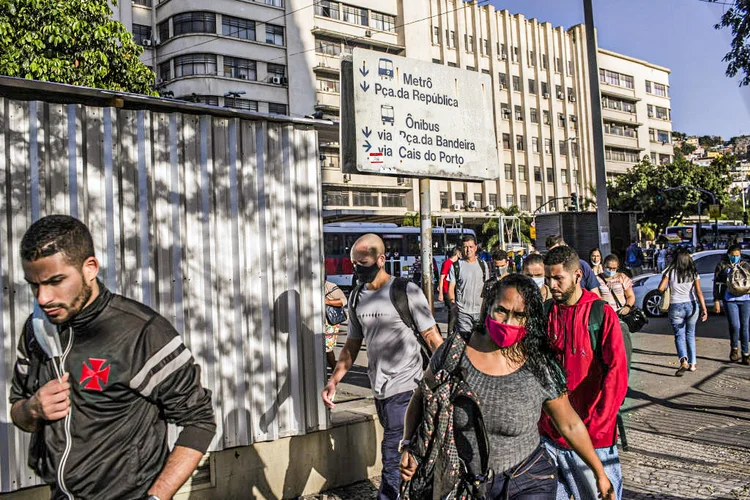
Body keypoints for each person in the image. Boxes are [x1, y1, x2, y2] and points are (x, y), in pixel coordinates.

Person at [9, 215, 216, 500]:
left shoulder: (142, 332)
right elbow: (18, 409)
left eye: (56, 281)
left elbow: (200, 420)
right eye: (34, 285)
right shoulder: (36, 331)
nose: (43, 298)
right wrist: (33, 408)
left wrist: (156, 498)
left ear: (90, 268)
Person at [399, 275, 615, 500]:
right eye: (501, 310)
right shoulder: (454, 352)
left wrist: (599, 472)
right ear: (488, 307)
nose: (508, 322)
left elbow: (569, 424)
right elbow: (421, 396)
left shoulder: (539, 366)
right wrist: (407, 445)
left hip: (529, 480)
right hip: (466, 483)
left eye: (519, 315)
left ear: (529, 320)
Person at [321, 234, 442, 500]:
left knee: (392, 454)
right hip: (380, 391)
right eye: (354, 264)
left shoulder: (406, 291)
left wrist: (447, 376)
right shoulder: (356, 298)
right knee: (409, 455)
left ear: (381, 260)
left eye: (363, 263)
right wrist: (334, 380)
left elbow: (433, 337)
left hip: (407, 389)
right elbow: (352, 345)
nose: (357, 270)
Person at [541, 246, 628, 500]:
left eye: (558, 278)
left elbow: (617, 374)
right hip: (550, 437)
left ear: (578, 276)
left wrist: (599, 423)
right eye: (549, 278)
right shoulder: (546, 313)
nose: (552, 284)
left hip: (594, 439)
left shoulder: (601, 314)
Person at [657, 247, 708, 375]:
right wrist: (704, 308)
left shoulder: (671, 271)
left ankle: (683, 361)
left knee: (679, 335)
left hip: (675, 306)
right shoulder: (693, 272)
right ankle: (693, 364)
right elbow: (699, 292)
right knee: (690, 334)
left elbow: (660, 288)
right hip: (691, 305)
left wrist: (668, 287)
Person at [448, 235, 491, 339]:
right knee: (466, 342)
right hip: (463, 313)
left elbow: (487, 287)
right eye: (465, 247)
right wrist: (453, 304)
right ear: (462, 248)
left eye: (471, 247)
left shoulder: (483, 265)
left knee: (480, 342)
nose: (468, 250)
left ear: (475, 248)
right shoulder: (456, 266)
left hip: (480, 312)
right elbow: (451, 288)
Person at [713, 244, 750, 365]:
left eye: (737, 255)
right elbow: (717, 284)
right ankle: (734, 348)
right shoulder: (722, 266)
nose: (735, 257)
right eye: (733, 256)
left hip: (745, 299)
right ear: (729, 255)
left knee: (745, 327)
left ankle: (745, 353)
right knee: (735, 326)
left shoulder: (746, 265)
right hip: (729, 299)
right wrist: (716, 300)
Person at [324, 279, 348, 370]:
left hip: (329, 323)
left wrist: (328, 301)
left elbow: (343, 300)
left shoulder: (330, 286)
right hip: (318, 323)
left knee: (327, 348)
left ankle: (335, 370)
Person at [438, 247, 462, 335]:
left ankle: (454, 332)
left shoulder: (456, 264)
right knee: (452, 312)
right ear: (458, 254)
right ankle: (450, 332)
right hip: (447, 291)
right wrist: (440, 292)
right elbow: (442, 278)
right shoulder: (448, 263)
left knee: (455, 312)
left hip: (453, 291)